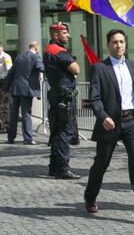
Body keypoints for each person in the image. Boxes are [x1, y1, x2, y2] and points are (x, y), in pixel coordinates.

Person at [84, 29, 134, 227]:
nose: (119, 45)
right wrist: (103, 116)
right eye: (115, 42)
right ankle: (90, 196)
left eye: (122, 42)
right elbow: (95, 98)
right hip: (110, 123)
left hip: (133, 122)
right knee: (101, 163)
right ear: (108, 45)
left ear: (126, 44)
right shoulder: (99, 68)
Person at [43, 22, 80, 180]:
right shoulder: (59, 51)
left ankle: (54, 166)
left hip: (56, 95)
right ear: (55, 35)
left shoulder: (48, 50)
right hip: (64, 96)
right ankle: (63, 168)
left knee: (57, 131)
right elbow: (76, 69)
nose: (68, 36)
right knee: (65, 131)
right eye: (65, 33)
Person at [5, 41, 44, 144]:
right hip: (26, 90)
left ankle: (10, 138)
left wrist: (5, 88)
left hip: (16, 89)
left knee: (14, 114)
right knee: (26, 114)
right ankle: (28, 139)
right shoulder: (36, 57)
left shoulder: (19, 58)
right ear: (36, 47)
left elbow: (10, 74)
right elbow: (41, 68)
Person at [0, 43, 13, 132]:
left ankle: (5, 126)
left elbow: (9, 70)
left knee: (4, 104)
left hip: (4, 81)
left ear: (2, 48)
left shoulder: (6, 57)